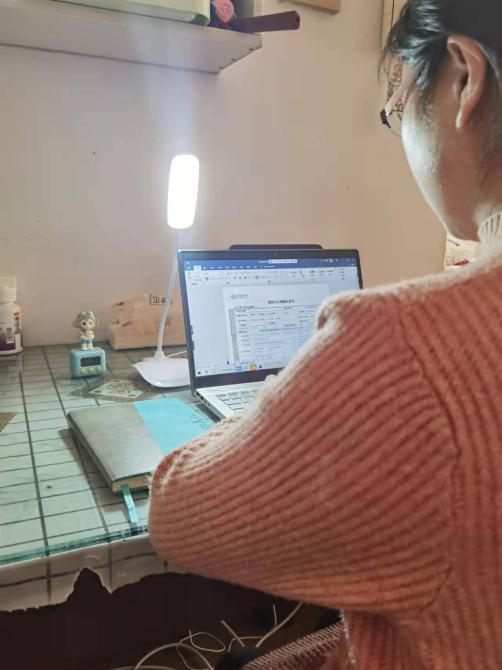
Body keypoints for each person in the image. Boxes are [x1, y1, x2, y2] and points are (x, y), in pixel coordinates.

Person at [149, 1, 502, 667]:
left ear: (462, 79)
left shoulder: (405, 346)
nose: (400, 131)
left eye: (398, 107)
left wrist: (281, 397)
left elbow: (177, 514)